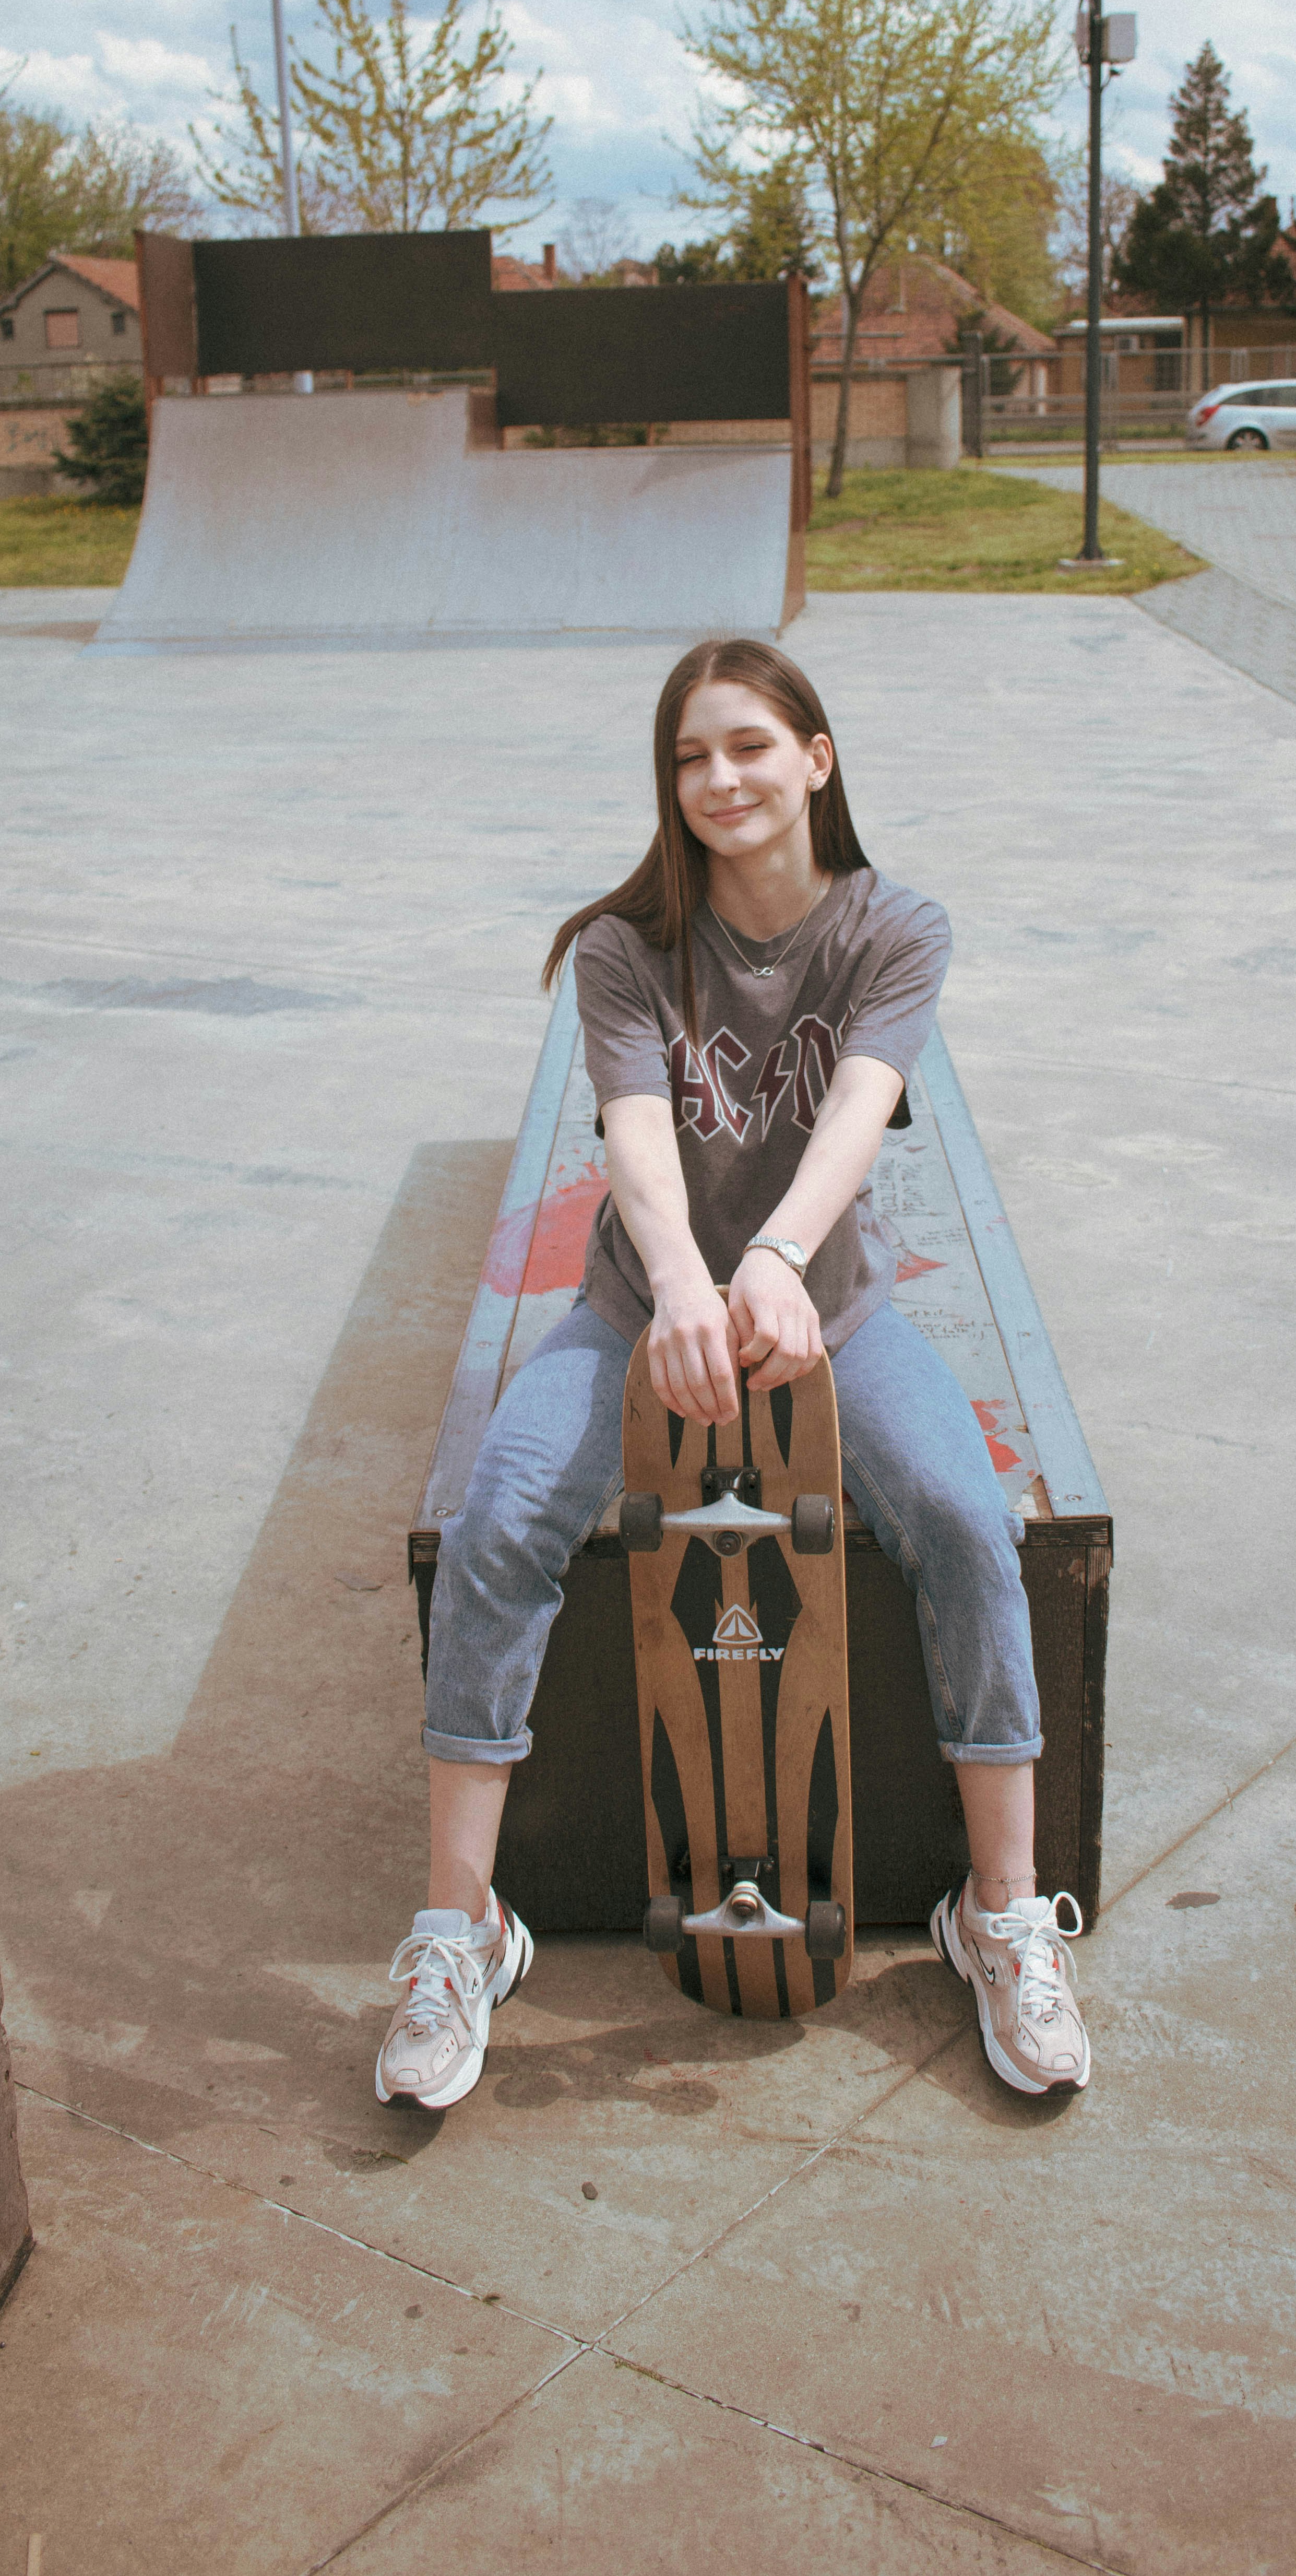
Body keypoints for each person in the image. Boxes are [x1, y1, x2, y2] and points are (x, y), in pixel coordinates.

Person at [374, 637, 1089, 2113]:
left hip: (830, 1312)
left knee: (967, 1521)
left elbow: (861, 1110)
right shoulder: (626, 949)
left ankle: (1003, 1915)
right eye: (690, 756)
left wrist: (773, 1260)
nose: (720, 780)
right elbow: (637, 1140)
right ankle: (462, 1930)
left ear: (817, 758)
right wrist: (686, 1288)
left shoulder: (895, 929)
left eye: (751, 745)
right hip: (642, 1310)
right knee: (500, 1521)